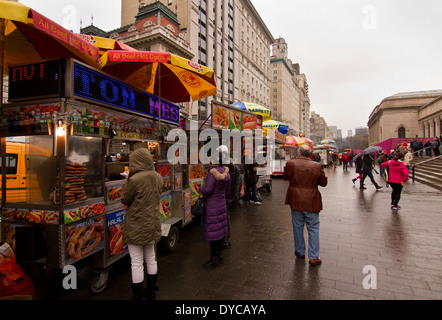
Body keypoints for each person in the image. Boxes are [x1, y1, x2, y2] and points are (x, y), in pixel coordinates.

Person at [120, 148, 163, 300]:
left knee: (137, 262)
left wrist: (127, 178)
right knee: (151, 258)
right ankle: (151, 291)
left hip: (136, 226)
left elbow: (124, 199)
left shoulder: (134, 180)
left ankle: (138, 296)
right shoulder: (158, 177)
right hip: (152, 223)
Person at [283, 145, 328, 267]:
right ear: (309, 154)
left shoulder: (290, 164)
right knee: (313, 228)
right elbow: (324, 183)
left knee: (297, 227)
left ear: (298, 153)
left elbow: (285, 176)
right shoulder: (316, 166)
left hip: (295, 199)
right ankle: (313, 257)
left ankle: (299, 251)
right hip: (311, 201)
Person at [199, 148, 231, 268]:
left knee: (213, 233)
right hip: (222, 204)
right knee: (221, 231)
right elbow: (228, 191)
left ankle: (213, 259)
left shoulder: (212, 172)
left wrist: (199, 188)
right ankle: (220, 256)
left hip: (212, 206)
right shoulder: (226, 172)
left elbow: (208, 190)